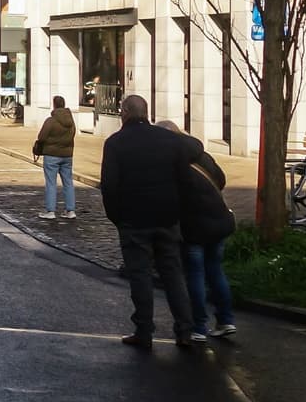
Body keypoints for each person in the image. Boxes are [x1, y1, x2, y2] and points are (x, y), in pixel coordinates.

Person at [98, 95, 199, 347]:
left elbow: (109, 186)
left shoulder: (116, 143)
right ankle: (185, 330)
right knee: (173, 274)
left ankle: (144, 330)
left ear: (124, 112)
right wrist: (179, 212)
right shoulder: (171, 140)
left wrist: (117, 216)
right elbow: (186, 181)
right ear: (146, 112)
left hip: (134, 219)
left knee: (140, 275)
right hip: (167, 217)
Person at [161, 120, 236, 342]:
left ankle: (199, 326)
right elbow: (220, 180)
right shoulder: (201, 153)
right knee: (215, 271)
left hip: (193, 225)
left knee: (195, 274)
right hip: (218, 220)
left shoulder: (172, 161)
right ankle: (226, 320)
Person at [30, 95, 78, 220]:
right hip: (67, 155)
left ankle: (50, 211)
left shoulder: (51, 121)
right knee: (68, 182)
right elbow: (73, 135)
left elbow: (42, 137)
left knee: (51, 183)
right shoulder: (70, 121)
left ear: (54, 105)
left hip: (51, 155)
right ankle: (70, 210)